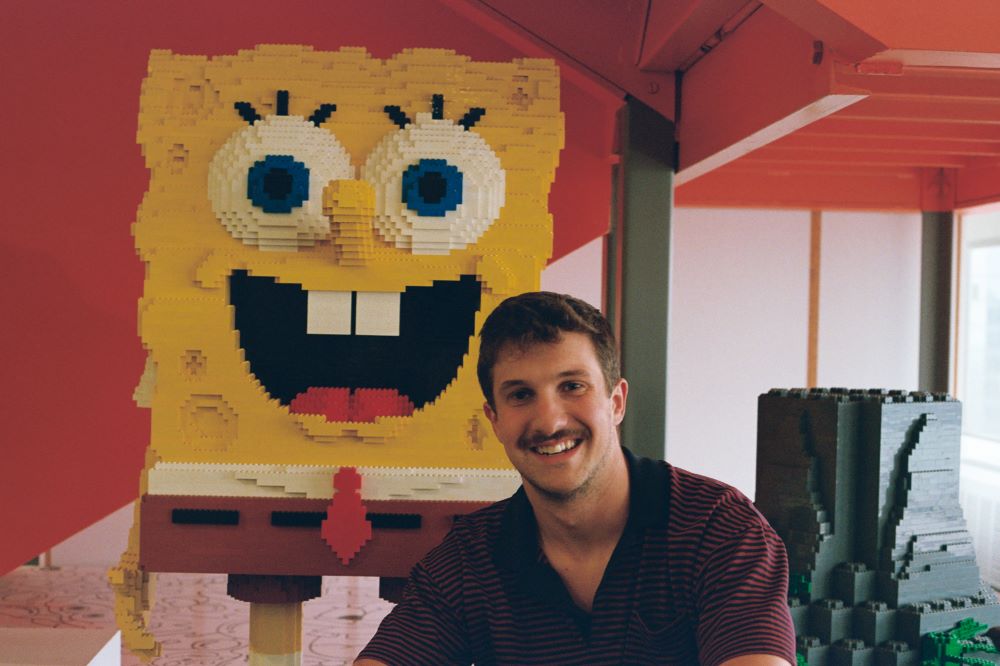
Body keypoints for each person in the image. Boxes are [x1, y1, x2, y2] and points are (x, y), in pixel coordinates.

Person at [356, 292, 796, 665]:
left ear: (616, 401)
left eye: (572, 386)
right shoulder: (469, 560)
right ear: (495, 420)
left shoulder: (718, 529)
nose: (549, 422)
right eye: (521, 395)